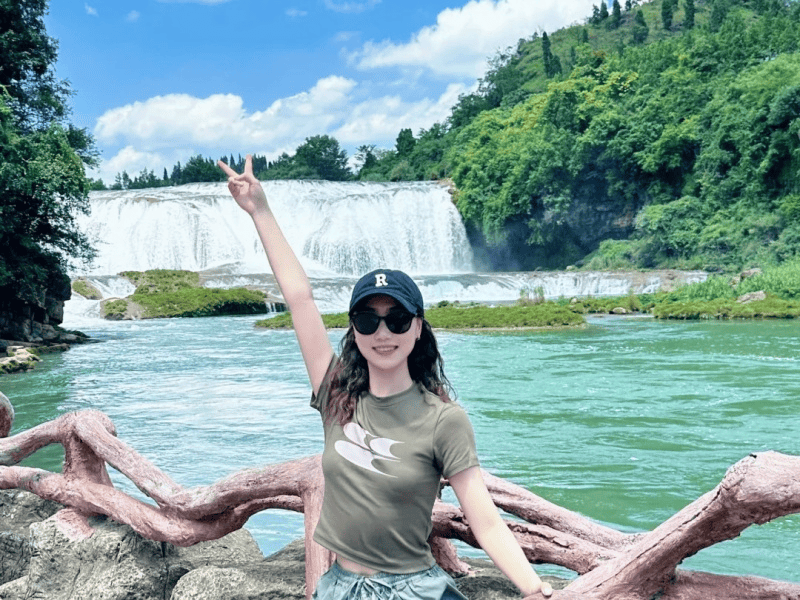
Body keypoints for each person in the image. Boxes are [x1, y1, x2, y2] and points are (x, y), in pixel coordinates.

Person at [218, 155, 554, 600]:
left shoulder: (444, 420)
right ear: (354, 331)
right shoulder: (336, 393)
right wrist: (259, 210)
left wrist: (534, 588)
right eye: (368, 320)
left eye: (397, 320)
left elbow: (485, 520)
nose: (383, 333)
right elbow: (300, 299)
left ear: (417, 328)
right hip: (340, 587)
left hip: (414, 589)